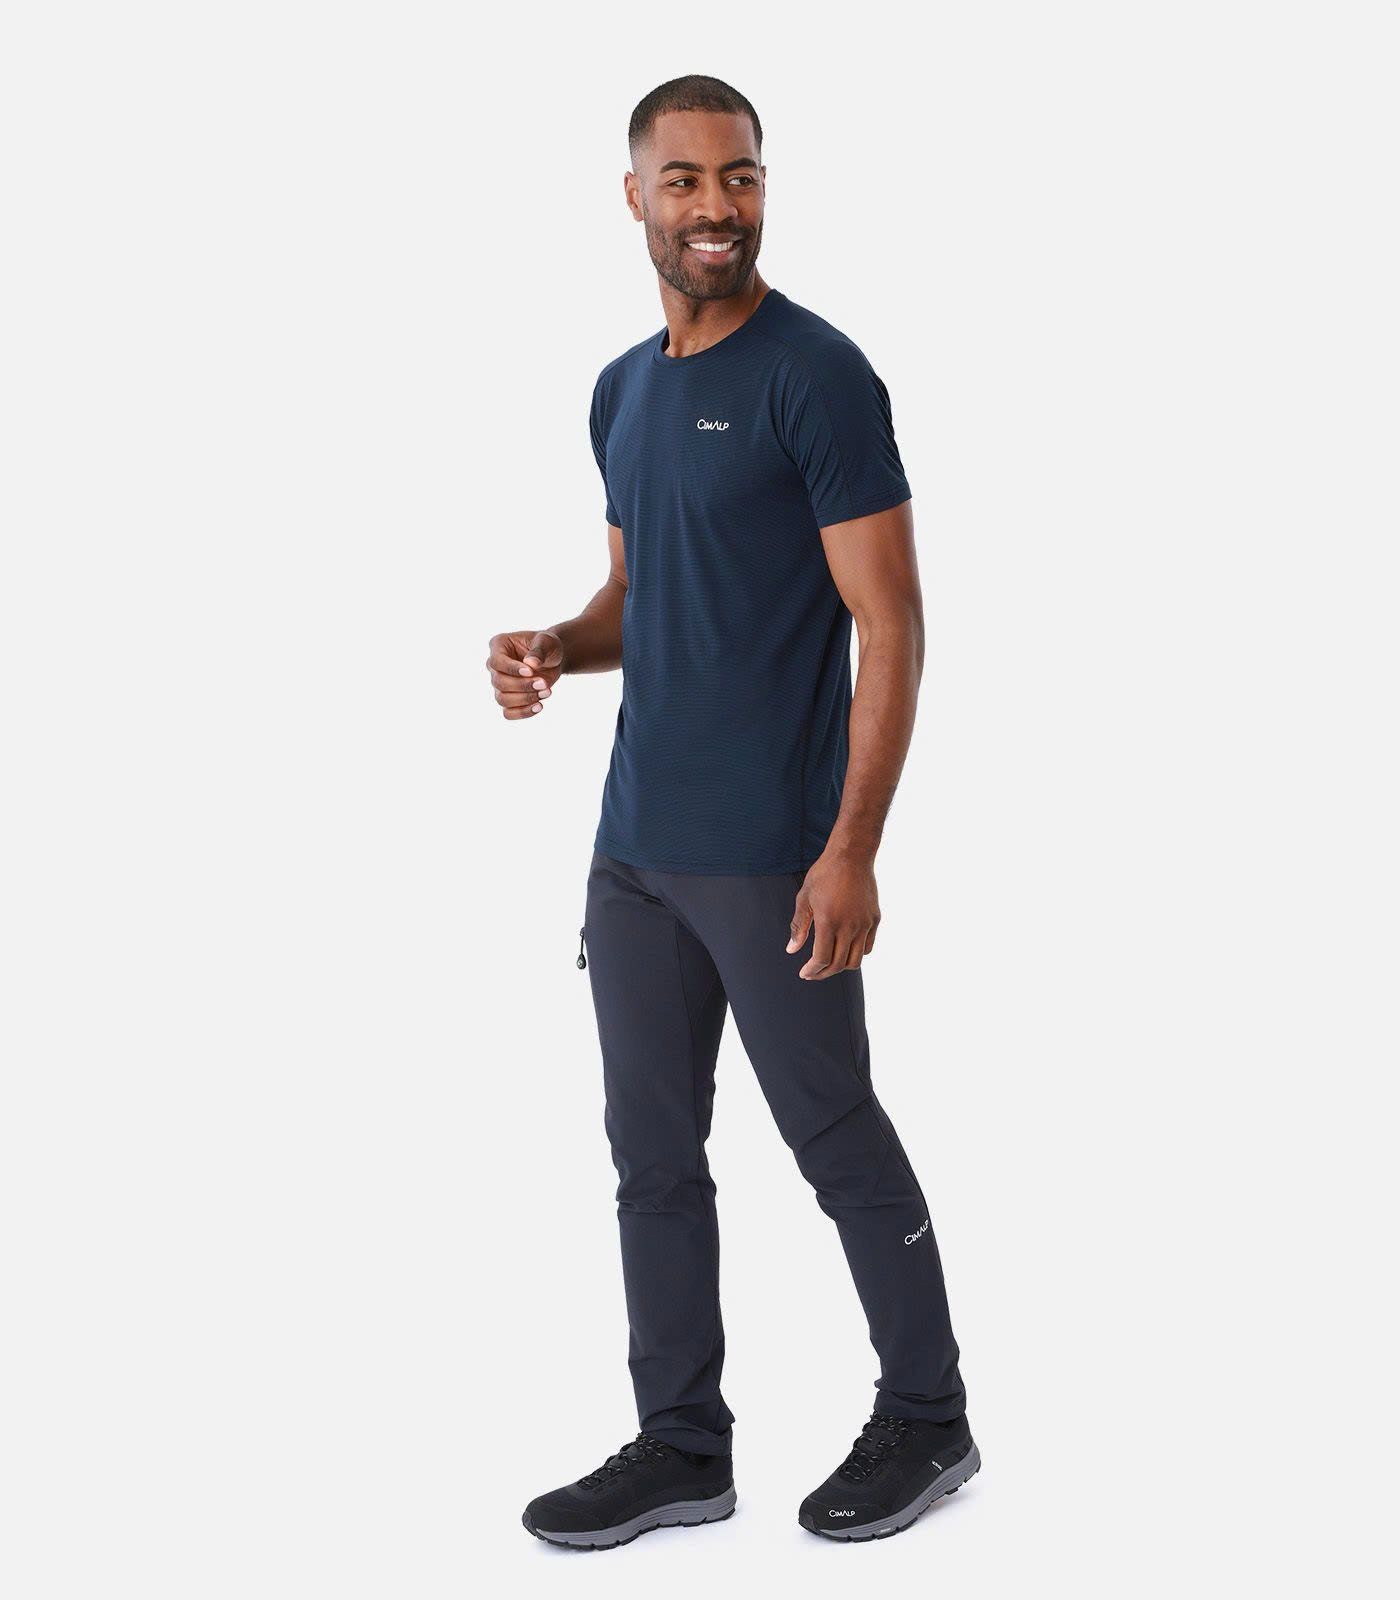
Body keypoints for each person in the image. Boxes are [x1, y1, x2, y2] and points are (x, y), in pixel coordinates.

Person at [488, 75, 977, 1549]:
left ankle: (930, 1418)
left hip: (773, 853)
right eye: (689, 179)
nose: (719, 206)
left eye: (742, 176)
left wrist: (851, 848)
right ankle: (682, 1446)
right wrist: (556, 646)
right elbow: (636, 596)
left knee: (833, 1134)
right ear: (635, 197)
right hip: (634, 850)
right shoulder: (619, 391)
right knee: (651, 1162)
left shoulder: (816, 377)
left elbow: (890, 624)